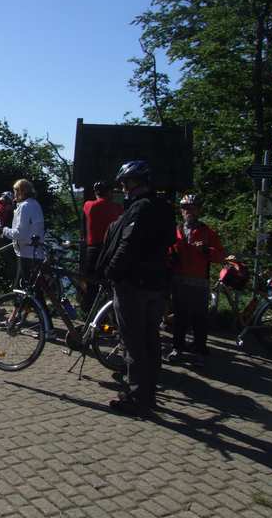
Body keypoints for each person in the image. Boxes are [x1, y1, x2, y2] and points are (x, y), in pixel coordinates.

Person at [96, 161, 175, 416]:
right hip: (157, 284)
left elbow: (127, 245)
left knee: (133, 343)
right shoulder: (165, 208)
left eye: (125, 183)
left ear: (136, 182)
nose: (123, 188)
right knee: (151, 340)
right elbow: (170, 241)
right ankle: (148, 393)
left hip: (133, 284)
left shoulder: (139, 209)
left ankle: (136, 398)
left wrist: (110, 273)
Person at [166, 194, 225, 365]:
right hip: (179, 281)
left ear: (199, 210)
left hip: (199, 282)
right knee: (180, 318)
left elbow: (221, 256)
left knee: (199, 319)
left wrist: (207, 250)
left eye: (192, 207)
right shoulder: (176, 230)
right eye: (185, 208)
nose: (188, 211)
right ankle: (177, 348)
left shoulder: (208, 232)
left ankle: (200, 351)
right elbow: (168, 251)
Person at [81, 180, 123, 312]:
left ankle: (90, 314)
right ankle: (108, 313)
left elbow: (86, 208)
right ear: (109, 192)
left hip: (93, 249)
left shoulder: (89, 205)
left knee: (91, 284)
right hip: (111, 249)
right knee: (108, 283)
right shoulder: (117, 208)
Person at [0, 179, 44, 289]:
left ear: (21, 191)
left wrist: (3, 230)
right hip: (37, 252)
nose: (14, 194)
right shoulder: (35, 204)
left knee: (24, 291)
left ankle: (22, 306)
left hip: (26, 253)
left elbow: (20, 233)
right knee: (34, 292)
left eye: (15, 191)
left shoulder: (24, 206)